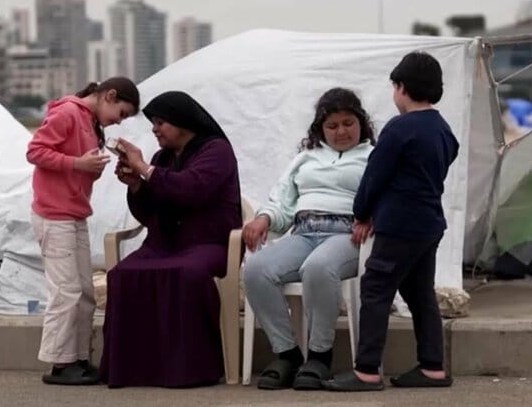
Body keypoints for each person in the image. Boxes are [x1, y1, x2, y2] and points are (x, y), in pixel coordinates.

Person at [324, 52, 459, 392]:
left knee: (375, 289)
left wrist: (361, 212)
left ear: (401, 88)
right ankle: (432, 367)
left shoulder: (399, 129)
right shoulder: (443, 129)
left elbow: (375, 176)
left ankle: (367, 370)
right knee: (420, 293)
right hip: (430, 224)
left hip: (399, 225)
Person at [99, 91, 243, 388]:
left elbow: (192, 189)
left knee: (187, 274)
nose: (155, 129)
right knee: (121, 274)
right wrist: (136, 185)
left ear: (182, 121)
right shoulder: (162, 158)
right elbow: (148, 213)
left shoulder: (217, 151)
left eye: (161, 122)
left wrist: (144, 169)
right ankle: (136, 370)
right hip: (163, 243)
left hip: (209, 243)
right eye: (153, 123)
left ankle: (190, 370)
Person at [241, 88, 376, 390]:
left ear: (361, 123)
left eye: (348, 123)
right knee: (256, 270)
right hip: (303, 232)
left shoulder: (373, 157)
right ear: (320, 129)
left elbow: (387, 197)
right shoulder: (306, 158)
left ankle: (319, 356)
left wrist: (372, 217)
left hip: (347, 235)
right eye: (332, 125)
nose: (341, 131)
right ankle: (288, 354)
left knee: (318, 267)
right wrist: (264, 218)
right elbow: (281, 201)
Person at [26, 78, 140, 385]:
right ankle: (60, 363)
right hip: (54, 214)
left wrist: (90, 167)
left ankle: (77, 357)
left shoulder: (89, 122)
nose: (119, 121)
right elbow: (35, 151)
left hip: (73, 213)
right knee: (66, 291)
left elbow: (72, 165)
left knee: (85, 293)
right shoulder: (67, 113)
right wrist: (77, 163)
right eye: (121, 113)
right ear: (109, 96)